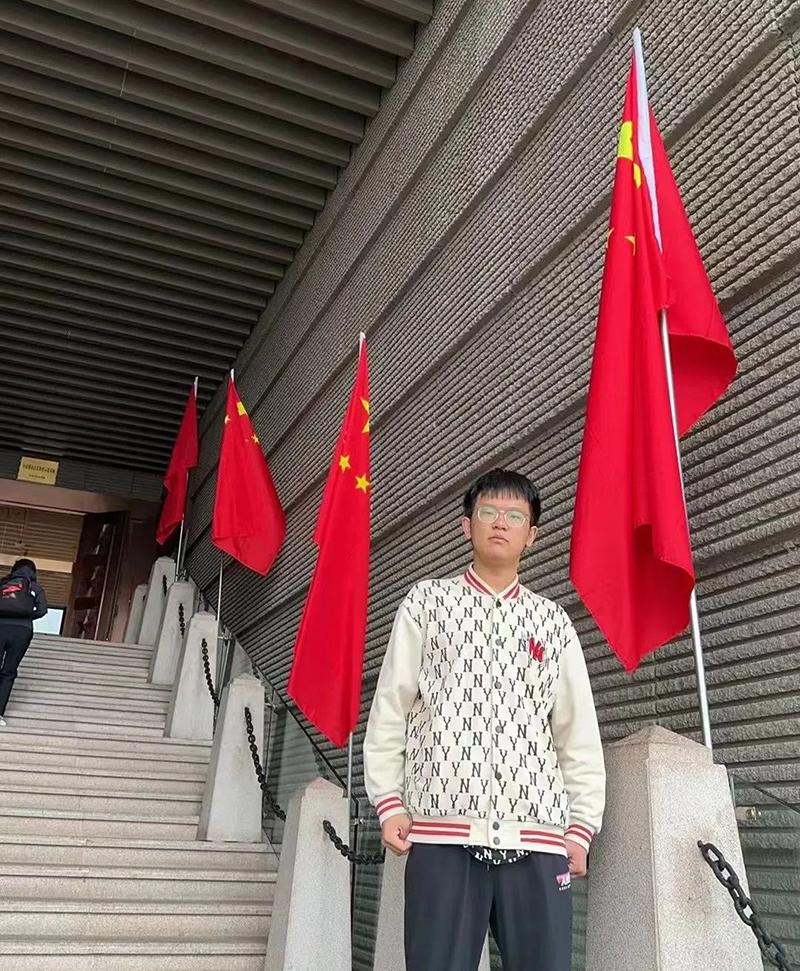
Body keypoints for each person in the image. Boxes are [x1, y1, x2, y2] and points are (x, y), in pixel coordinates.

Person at [364, 468, 606, 971]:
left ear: (531, 535)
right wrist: (389, 801)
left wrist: (581, 826)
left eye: (515, 516)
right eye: (489, 511)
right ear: (466, 524)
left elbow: (576, 733)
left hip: (539, 839)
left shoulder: (553, 622)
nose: (500, 522)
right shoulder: (427, 604)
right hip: (442, 834)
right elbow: (391, 706)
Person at [0, 558, 48, 727]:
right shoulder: (34, 587)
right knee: (8, 672)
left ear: (14, 569)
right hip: (22, 631)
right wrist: (26, 616)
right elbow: (42, 610)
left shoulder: (3, 583)